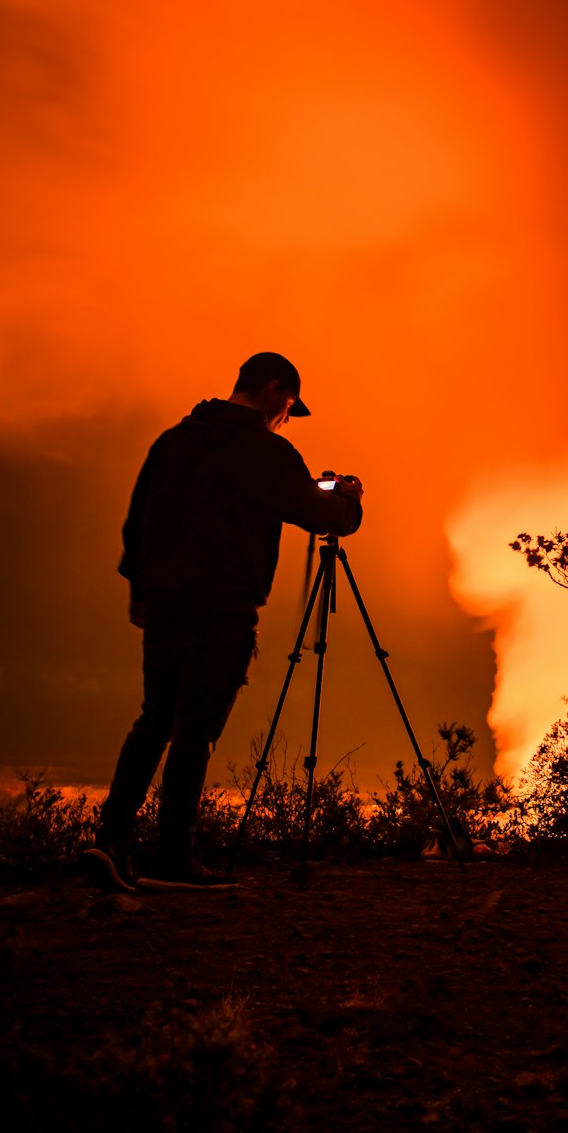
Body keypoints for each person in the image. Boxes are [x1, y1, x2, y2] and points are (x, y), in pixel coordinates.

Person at [83, 351, 363, 892]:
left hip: (165, 605)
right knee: (195, 731)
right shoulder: (264, 450)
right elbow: (320, 515)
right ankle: (172, 859)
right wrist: (350, 501)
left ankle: (110, 841)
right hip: (224, 609)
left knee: (155, 719)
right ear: (274, 390)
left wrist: (140, 592)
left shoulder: (174, 441)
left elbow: (138, 519)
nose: (287, 417)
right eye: (289, 406)